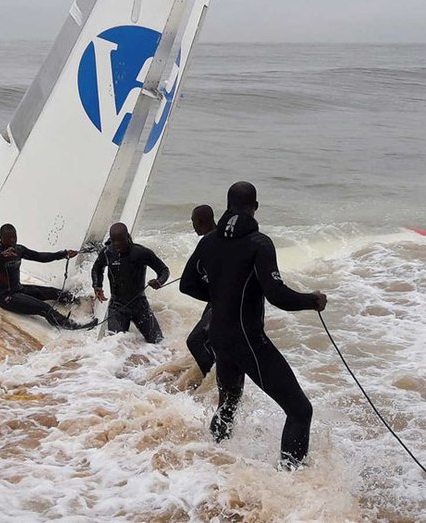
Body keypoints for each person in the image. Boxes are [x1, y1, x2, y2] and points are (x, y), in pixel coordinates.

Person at [180, 182, 327, 470]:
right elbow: (277, 296)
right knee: (299, 410)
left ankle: (213, 461)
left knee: (229, 402)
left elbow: (187, 284)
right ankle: (290, 479)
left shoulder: (208, 242)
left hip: (219, 337)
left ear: (226, 205)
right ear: (255, 207)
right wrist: (312, 300)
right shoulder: (259, 243)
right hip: (247, 339)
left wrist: (220, 296)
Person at [0, 223, 97, 330]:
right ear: (0, 238)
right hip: (6, 297)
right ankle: (69, 325)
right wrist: (1, 258)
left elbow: (40, 257)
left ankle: (79, 301)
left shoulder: (18, 250)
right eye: (9, 238)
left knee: (53, 292)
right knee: (44, 308)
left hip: (19, 289)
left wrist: (63, 254)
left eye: (14, 237)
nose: (12, 241)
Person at [91, 222, 170, 343]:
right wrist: (97, 287)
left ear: (127, 236)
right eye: (114, 241)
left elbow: (164, 270)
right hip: (117, 307)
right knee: (115, 346)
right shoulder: (107, 253)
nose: (117, 245)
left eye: (121, 241)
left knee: (158, 342)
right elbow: (97, 269)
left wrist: (159, 282)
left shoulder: (141, 253)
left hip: (140, 306)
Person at [184, 205, 217, 378]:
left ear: (201, 221)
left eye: (193, 221)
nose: (193, 226)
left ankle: (212, 379)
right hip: (220, 297)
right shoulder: (221, 237)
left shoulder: (209, 242)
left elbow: (186, 283)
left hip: (222, 299)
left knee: (195, 341)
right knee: (209, 338)